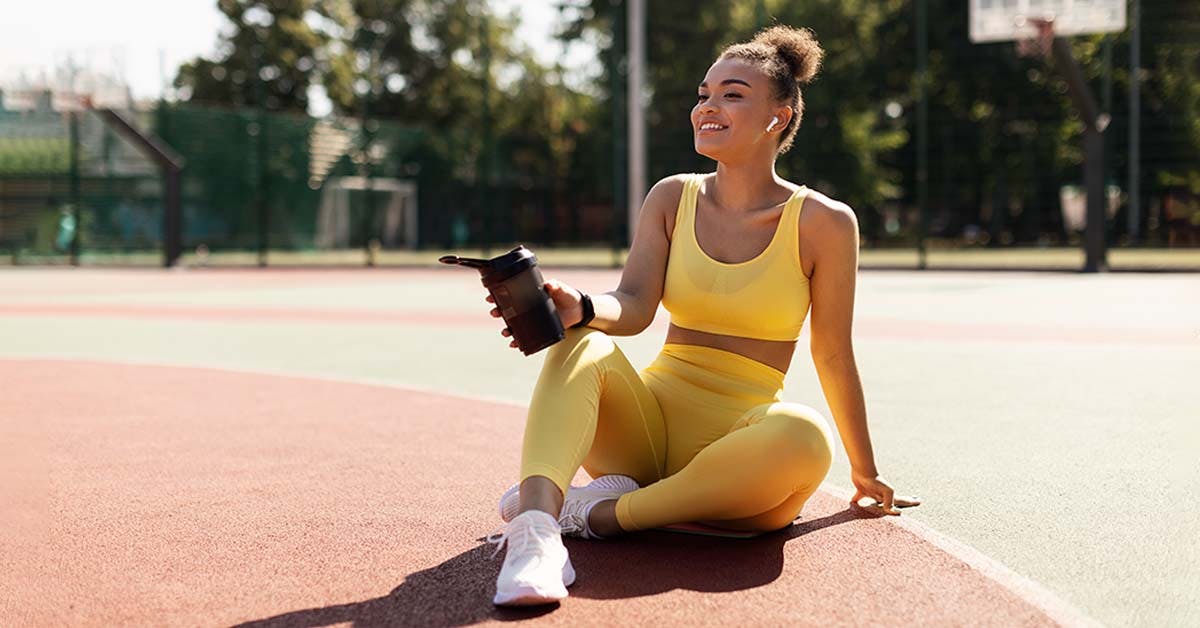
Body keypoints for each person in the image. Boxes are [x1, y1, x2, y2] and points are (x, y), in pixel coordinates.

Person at [484, 25, 920, 607]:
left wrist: (864, 472)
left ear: (778, 117)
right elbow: (634, 305)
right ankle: (536, 535)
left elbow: (833, 353)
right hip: (643, 439)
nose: (707, 106)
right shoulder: (671, 196)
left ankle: (601, 513)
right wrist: (583, 308)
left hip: (737, 459)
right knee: (579, 342)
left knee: (806, 437)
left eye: (732, 94)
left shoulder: (825, 222)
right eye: (704, 93)